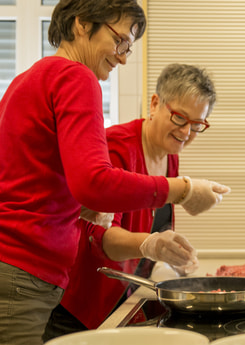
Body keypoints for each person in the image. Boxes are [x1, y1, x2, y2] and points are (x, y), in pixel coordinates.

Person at [0, 1, 230, 344]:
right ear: (81, 24)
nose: (123, 57)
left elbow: (31, 177)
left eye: (129, 48)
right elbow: (93, 182)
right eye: (120, 41)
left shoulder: (28, 78)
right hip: (26, 269)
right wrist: (181, 189)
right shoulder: (77, 76)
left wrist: (76, 204)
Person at [41, 63, 216, 340]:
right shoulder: (116, 149)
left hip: (124, 300)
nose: (186, 133)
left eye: (197, 125)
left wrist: (170, 256)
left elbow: (155, 225)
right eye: (181, 118)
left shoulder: (169, 153)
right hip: (82, 305)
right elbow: (102, 238)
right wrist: (151, 246)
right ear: (155, 103)